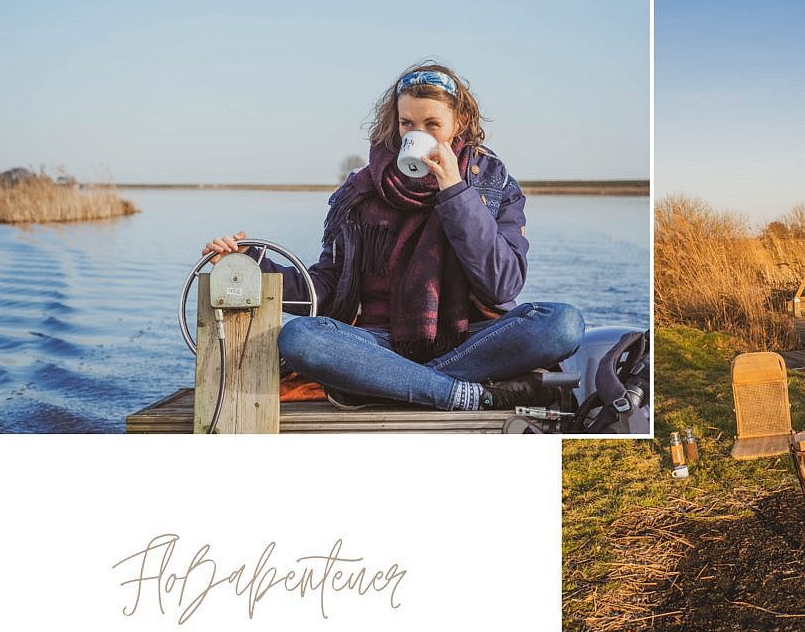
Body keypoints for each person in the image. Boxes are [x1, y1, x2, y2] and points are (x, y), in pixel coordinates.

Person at [202, 61, 584, 411]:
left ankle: (388, 383)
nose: (416, 135)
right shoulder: (359, 193)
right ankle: (461, 392)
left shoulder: (495, 186)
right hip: (378, 342)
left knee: (562, 323)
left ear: (460, 121)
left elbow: (502, 286)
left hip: (471, 339)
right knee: (302, 337)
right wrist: (249, 264)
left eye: (431, 124)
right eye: (407, 124)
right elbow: (326, 289)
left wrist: (454, 192)